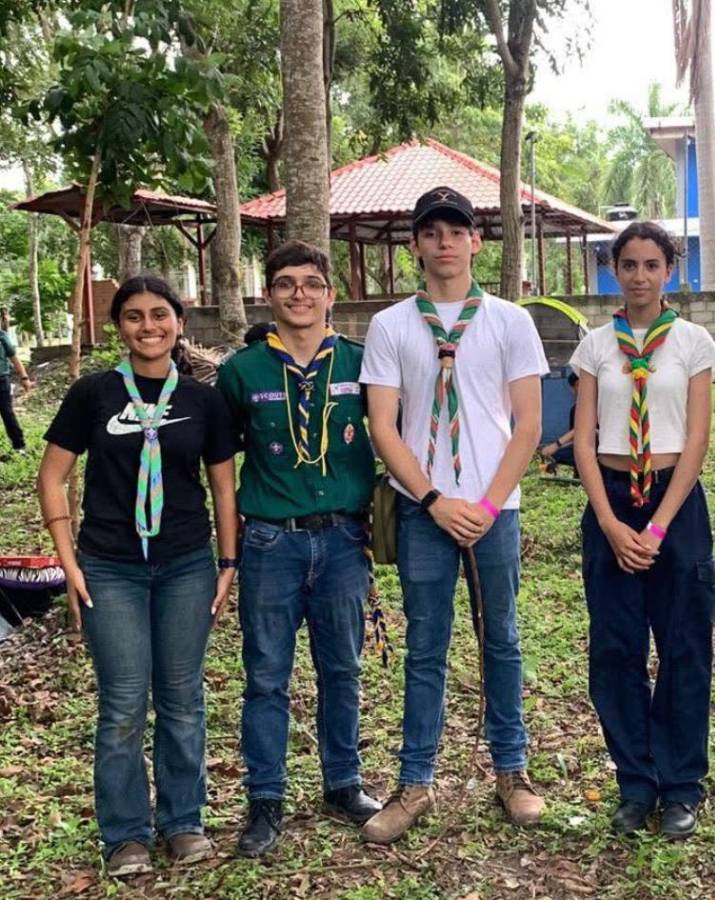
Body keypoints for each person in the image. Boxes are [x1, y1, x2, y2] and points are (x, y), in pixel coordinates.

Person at [360, 186, 549, 843]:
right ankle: (415, 783)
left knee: (502, 638)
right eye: (432, 232)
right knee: (425, 646)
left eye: (456, 231)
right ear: (416, 245)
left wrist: (488, 505)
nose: (445, 242)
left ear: (476, 241)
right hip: (424, 511)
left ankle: (512, 771)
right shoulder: (390, 326)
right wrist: (436, 501)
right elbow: (383, 427)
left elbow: (529, 424)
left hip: (496, 510)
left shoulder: (509, 322)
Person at [36, 276, 238, 877]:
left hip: (185, 565)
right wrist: (68, 561)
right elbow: (52, 477)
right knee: (123, 702)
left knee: (181, 698)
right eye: (133, 316)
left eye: (159, 314)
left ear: (179, 322)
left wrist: (228, 563)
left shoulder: (203, 400)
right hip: (109, 567)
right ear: (118, 327)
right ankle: (125, 834)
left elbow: (223, 488)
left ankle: (183, 821)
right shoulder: (92, 394)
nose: (148, 326)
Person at [216, 240, 381, 858]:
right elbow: (220, 460)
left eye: (311, 283)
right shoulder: (243, 371)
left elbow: (393, 433)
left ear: (330, 294)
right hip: (270, 541)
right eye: (285, 284)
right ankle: (265, 799)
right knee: (266, 676)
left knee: (342, 668)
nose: (299, 294)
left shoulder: (362, 362)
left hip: (343, 538)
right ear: (269, 294)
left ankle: (342, 783)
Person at [570, 221, 715, 840]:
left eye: (651, 265)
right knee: (616, 649)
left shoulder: (692, 342)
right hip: (611, 499)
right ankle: (635, 782)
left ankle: (682, 784)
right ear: (615, 270)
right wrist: (610, 524)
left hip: (674, 503)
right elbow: (583, 440)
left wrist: (658, 527)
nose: (639, 276)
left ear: (670, 271)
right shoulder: (595, 346)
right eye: (629, 265)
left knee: (684, 646)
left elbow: (698, 440)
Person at [0, 325, 34, 456]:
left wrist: (24, 378)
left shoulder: (2, 336)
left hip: (1, 381)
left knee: (7, 413)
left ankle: (19, 446)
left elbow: (14, 358)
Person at [539, 372, 579, 476]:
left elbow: (581, 430)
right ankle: (543, 474)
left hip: (598, 449)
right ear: (573, 388)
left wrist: (556, 445)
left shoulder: (598, 405)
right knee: (554, 456)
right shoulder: (575, 410)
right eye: (577, 385)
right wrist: (556, 448)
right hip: (579, 447)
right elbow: (574, 438)